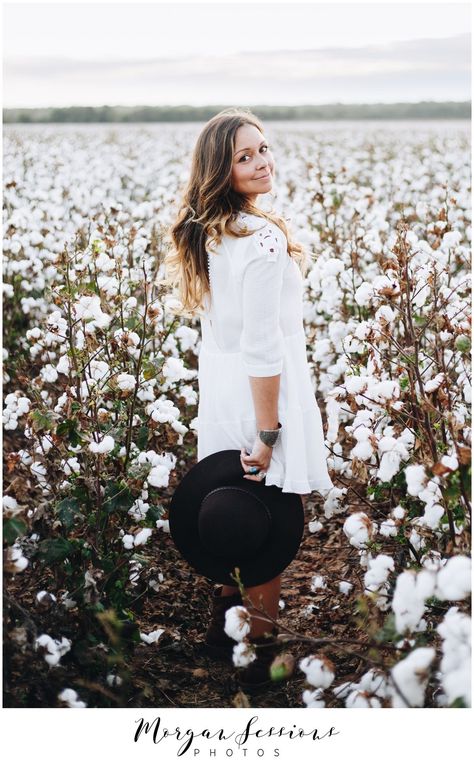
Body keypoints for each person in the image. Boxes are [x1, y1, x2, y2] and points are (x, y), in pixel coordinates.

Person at [165, 107, 334, 687]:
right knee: (266, 515)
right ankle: (257, 652)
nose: (262, 162)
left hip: (222, 389)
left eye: (262, 148)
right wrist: (269, 434)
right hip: (263, 393)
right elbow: (263, 346)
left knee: (229, 504)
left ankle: (224, 627)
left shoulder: (209, 231)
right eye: (244, 156)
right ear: (221, 170)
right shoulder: (261, 238)